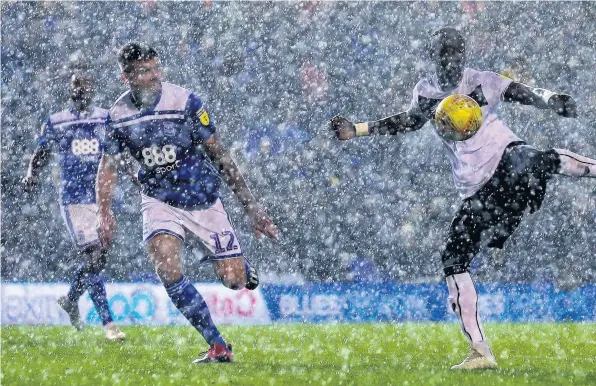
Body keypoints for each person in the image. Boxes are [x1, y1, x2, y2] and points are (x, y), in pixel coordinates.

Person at [330, 27, 595, 370]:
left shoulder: (480, 81)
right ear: (434, 55)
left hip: (507, 159)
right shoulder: (426, 93)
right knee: (453, 258)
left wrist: (550, 99)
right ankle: (480, 351)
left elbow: (520, 92)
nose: (452, 60)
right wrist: (359, 129)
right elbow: (408, 121)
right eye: (445, 53)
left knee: (534, 158)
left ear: (464, 55)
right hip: (477, 190)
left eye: (456, 53)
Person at [96, 42, 278, 363]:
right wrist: (104, 213)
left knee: (235, 282)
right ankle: (218, 345)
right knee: (165, 263)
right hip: (158, 198)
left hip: (201, 196)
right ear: (126, 77)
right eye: (143, 71)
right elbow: (107, 166)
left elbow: (218, 152)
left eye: (155, 68)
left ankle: (241, 269)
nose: (153, 76)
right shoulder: (118, 116)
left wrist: (251, 206)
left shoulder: (186, 102)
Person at [23, 68, 125, 341]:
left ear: (92, 89)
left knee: (98, 261)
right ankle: (109, 324)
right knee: (92, 257)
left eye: (86, 84)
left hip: (101, 197)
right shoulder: (57, 122)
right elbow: (41, 152)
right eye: (76, 84)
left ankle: (70, 300)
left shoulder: (105, 117)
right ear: (70, 90)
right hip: (74, 200)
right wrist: (32, 172)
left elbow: (117, 152)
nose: (81, 88)